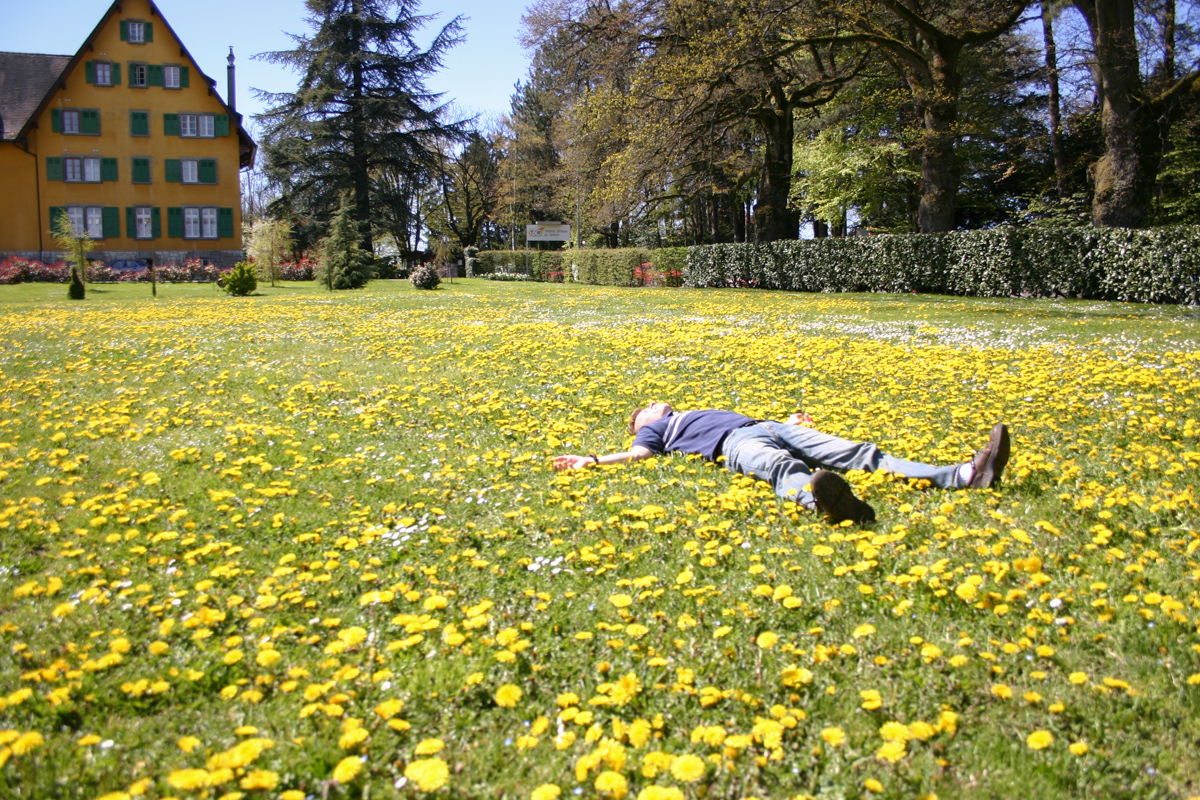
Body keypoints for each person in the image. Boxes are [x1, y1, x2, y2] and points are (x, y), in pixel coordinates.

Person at [553, 402, 1011, 525]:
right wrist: (592, 459)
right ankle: (828, 505)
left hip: (768, 425)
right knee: (780, 471)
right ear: (643, 424)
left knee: (858, 453)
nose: (653, 403)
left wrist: (789, 421)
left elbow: (753, 421)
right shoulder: (657, 431)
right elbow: (637, 455)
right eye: (645, 408)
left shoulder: (688, 411)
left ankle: (964, 475)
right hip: (733, 445)